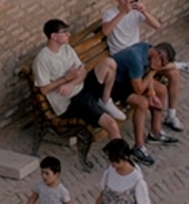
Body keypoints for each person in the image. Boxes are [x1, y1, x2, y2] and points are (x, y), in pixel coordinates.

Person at [30, 20, 124, 148]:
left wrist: (71, 83)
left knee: (109, 63)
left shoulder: (66, 48)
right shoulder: (42, 59)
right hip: (72, 101)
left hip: (81, 87)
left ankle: (105, 100)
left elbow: (82, 72)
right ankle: (120, 160)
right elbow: (44, 90)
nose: (69, 34)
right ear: (54, 36)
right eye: (65, 32)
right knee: (111, 124)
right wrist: (65, 79)